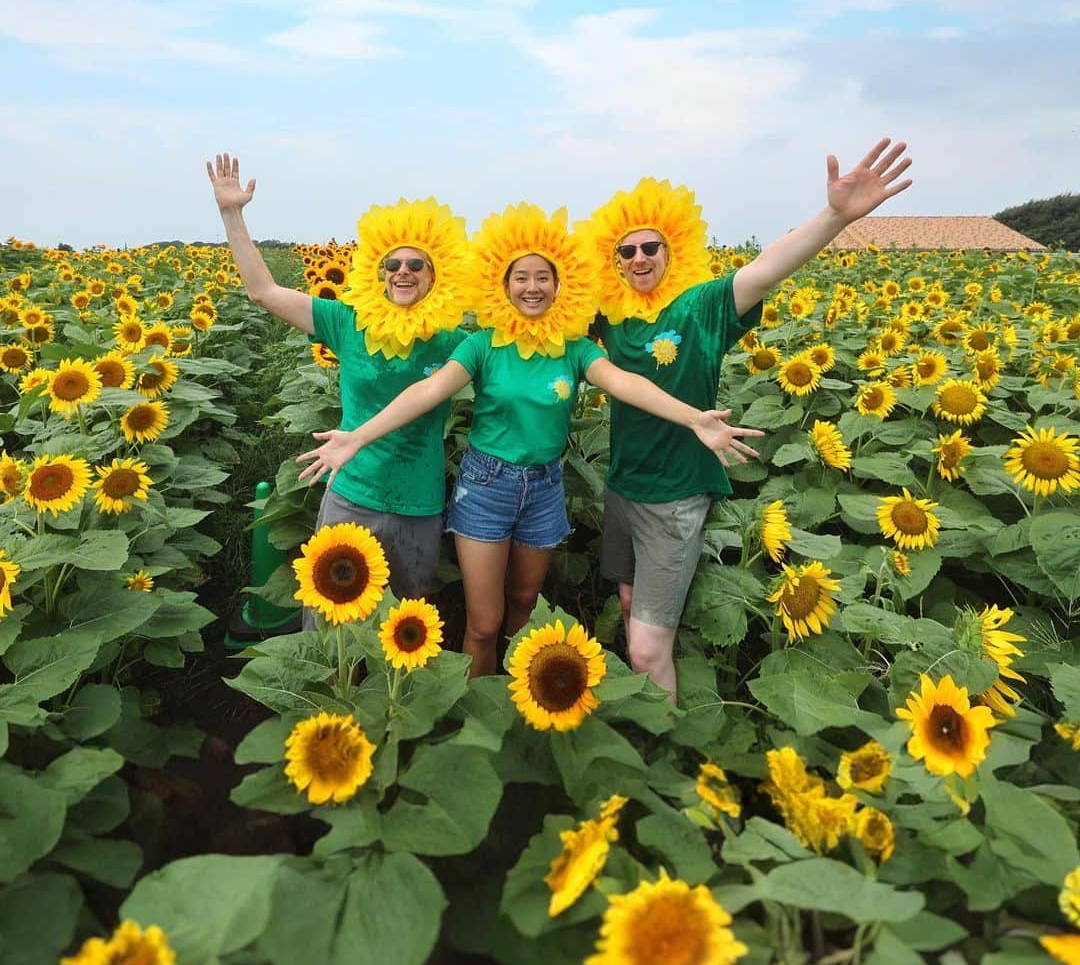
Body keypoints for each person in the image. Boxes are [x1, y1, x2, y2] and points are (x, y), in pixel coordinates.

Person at [297, 204, 764, 676]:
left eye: (544, 277)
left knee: (523, 605)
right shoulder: (483, 344)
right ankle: (476, 709)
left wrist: (693, 419)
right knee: (484, 622)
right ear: (503, 285)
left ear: (560, 285)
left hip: (543, 489)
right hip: (485, 486)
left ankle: (516, 700)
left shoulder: (575, 347)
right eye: (521, 277)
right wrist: (358, 436)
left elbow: (623, 383)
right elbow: (431, 389)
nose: (533, 287)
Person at [585, 139, 913, 700]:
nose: (638, 258)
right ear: (613, 260)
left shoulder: (700, 306)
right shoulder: (609, 319)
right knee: (627, 603)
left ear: (671, 251)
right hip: (622, 489)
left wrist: (833, 217)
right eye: (626, 251)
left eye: (650, 248)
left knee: (643, 649)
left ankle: (666, 748)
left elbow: (764, 270)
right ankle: (649, 719)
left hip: (675, 496)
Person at [206, 154, 471, 601]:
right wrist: (231, 214)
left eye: (415, 264)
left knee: (406, 626)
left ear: (435, 275)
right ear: (380, 273)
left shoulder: (453, 340)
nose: (402, 271)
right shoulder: (347, 321)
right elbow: (264, 292)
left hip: (418, 502)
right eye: (393, 264)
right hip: (352, 491)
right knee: (331, 622)